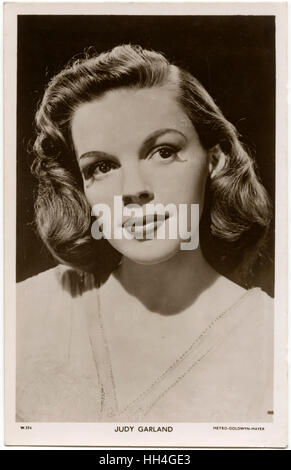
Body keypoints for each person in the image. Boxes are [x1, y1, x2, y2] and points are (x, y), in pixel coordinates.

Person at [16, 44, 273, 423]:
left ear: (215, 161)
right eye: (101, 166)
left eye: (164, 151)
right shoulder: (23, 312)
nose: (133, 188)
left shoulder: (272, 336)